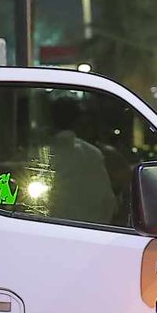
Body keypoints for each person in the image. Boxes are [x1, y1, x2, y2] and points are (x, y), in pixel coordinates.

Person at [43, 96, 117, 224]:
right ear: (78, 120)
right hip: (90, 232)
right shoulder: (92, 154)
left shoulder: (39, 153)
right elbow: (108, 203)